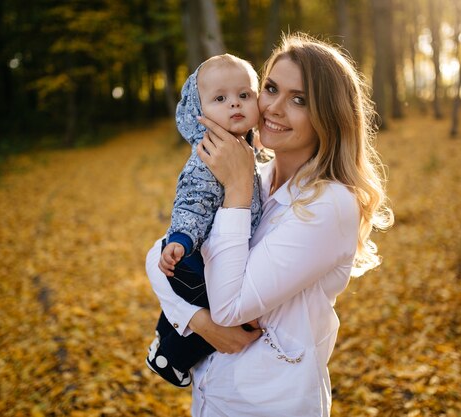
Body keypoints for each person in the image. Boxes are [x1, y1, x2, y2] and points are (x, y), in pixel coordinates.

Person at [147, 33, 393, 416]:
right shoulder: (255, 177)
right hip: (211, 397)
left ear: (329, 116)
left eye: (299, 100)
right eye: (271, 89)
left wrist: (236, 187)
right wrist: (197, 320)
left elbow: (229, 309)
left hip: (271, 404)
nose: (274, 108)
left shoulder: (329, 204)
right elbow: (159, 254)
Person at [146, 54, 263, 387]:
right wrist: (182, 239)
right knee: (207, 307)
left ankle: (167, 343)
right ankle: (169, 358)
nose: (235, 105)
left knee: (205, 306)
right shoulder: (207, 159)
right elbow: (192, 202)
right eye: (220, 99)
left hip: (222, 254)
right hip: (202, 254)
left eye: (244, 95)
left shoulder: (249, 150)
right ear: (200, 111)